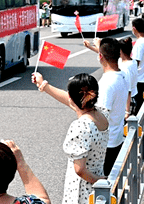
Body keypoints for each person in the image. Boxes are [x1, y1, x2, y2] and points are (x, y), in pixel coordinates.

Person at [31, 73, 108, 204]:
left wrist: (97, 181)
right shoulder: (102, 115)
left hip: (82, 188)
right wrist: (44, 85)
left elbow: (80, 169)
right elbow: (73, 101)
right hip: (98, 176)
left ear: (73, 99)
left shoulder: (80, 126)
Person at [42, 37, 128, 175]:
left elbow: (90, 112)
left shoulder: (107, 84)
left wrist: (45, 87)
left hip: (105, 146)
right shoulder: (122, 74)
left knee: (101, 190)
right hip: (115, 139)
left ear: (100, 56)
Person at [130, 18, 144, 115]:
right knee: (141, 106)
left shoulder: (139, 44)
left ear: (134, 28)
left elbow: (136, 62)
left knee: (137, 109)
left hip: (138, 79)